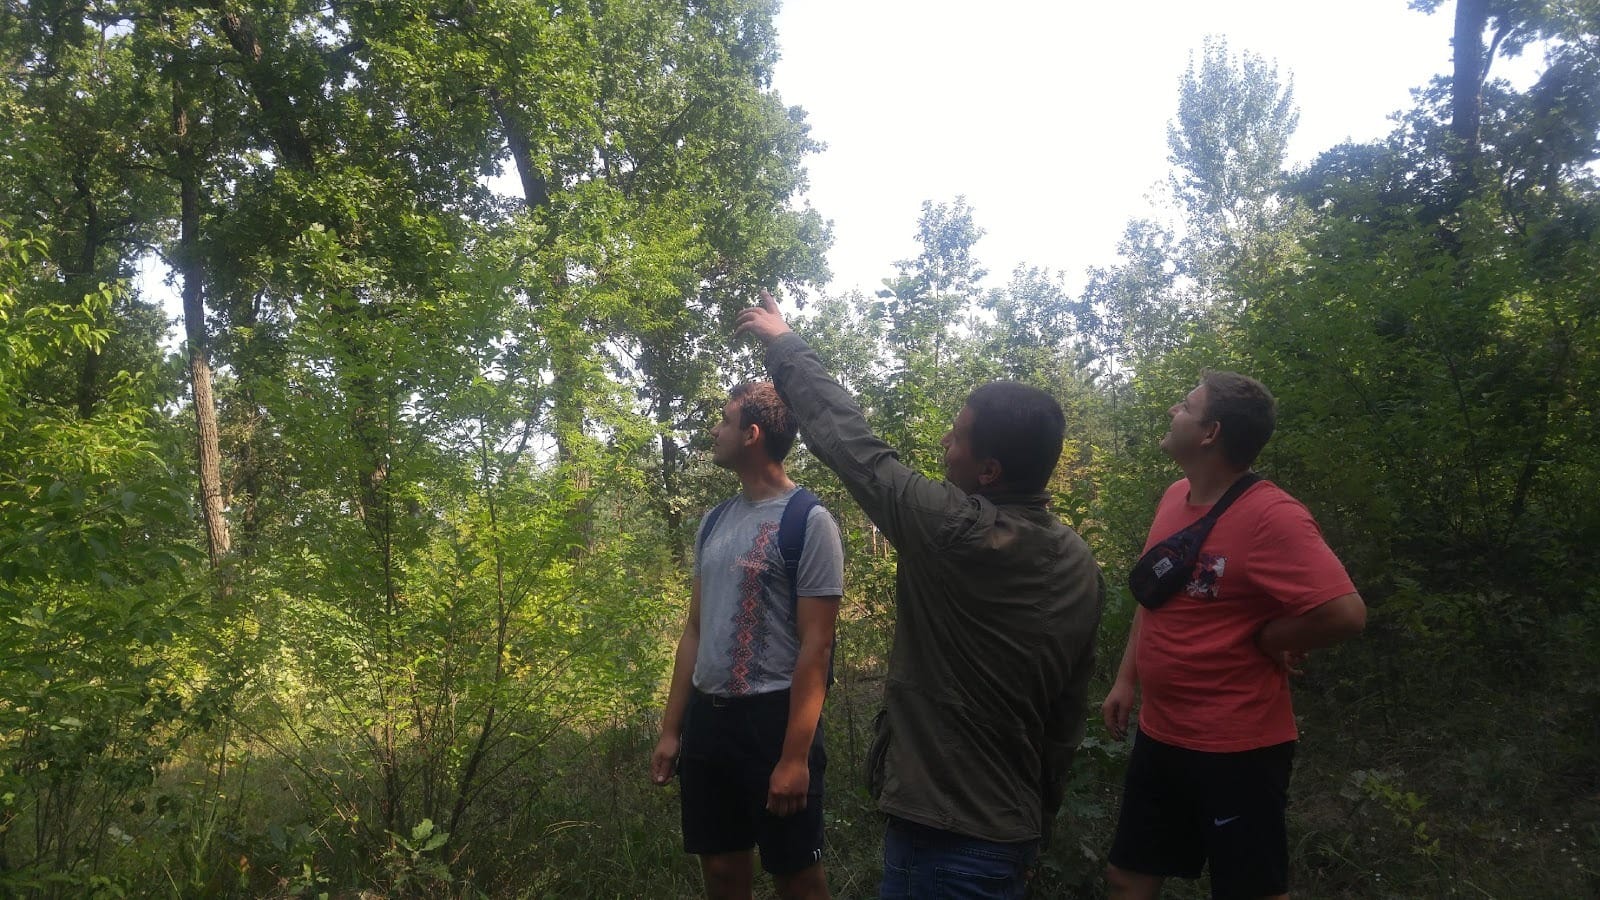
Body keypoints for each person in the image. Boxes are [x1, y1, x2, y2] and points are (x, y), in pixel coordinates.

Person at [735, 291, 1104, 900]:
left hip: (941, 837)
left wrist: (783, 343)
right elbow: (1066, 716)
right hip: (1012, 832)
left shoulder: (952, 529)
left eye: (958, 437)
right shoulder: (1079, 563)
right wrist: (1038, 818)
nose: (945, 444)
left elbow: (852, 445)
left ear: (988, 471)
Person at [1101, 372, 1368, 900]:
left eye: (1185, 406)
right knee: (1127, 880)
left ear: (1211, 432)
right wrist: (1125, 679)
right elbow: (1155, 596)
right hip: (1161, 734)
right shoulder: (1174, 497)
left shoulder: (1272, 516)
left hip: (1238, 747)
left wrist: (1271, 637)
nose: (1172, 411)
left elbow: (1346, 613)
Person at [651, 381, 845, 900]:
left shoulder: (809, 522)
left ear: (752, 434)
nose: (715, 430)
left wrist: (794, 758)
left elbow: (817, 647)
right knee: (720, 868)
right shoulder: (714, 521)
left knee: (797, 877)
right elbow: (695, 628)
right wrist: (672, 730)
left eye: (725, 420)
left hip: (774, 721)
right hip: (709, 722)